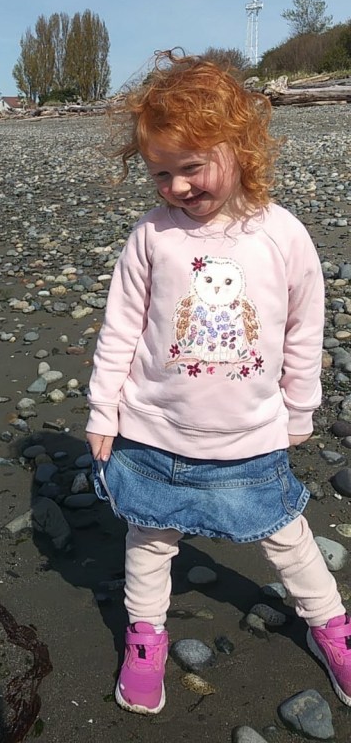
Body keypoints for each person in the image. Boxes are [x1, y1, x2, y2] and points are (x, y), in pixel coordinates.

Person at [86, 53, 351, 716]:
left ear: (240, 147)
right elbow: (120, 328)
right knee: (149, 539)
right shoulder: (152, 236)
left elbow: (304, 328)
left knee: (286, 534)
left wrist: (300, 408)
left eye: (192, 166)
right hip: (153, 431)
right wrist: (103, 409)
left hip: (249, 436)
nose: (176, 186)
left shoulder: (281, 234)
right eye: (160, 173)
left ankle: (330, 625)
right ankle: (146, 635)